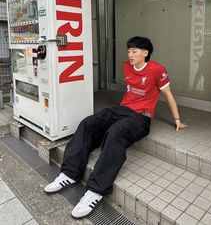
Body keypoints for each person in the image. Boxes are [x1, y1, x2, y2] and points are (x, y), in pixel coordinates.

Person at [44, 36, 187, 219]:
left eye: (134, 51)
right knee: (88, 123)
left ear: (145, 53)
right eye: (128, 51)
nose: (130, 55)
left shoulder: (157, 70)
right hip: (122, 109)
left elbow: (168, 94)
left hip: (140, 117)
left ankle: (95, 190)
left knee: (115, 133)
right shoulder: (126, 67)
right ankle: (70, 173)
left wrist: (177, 119)